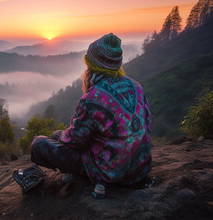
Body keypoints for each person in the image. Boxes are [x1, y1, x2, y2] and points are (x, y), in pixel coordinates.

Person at [29, 33, 152, 187]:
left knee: (39, 143)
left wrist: (62, 135)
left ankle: (81, 177)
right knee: (57, 135)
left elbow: (75, 140)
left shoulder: (93, 97)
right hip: (141, 169)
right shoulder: (137, 87)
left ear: (93, 65)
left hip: (111, 174)